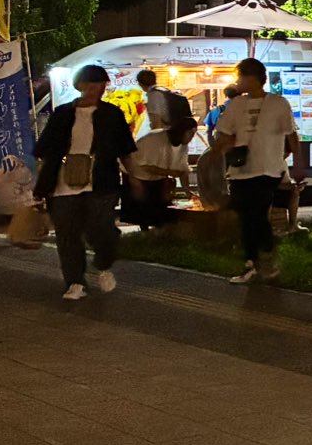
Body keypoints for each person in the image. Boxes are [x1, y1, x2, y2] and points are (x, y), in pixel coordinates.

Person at [33, 63, 136, 300]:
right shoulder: (63, 114)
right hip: (63, 180)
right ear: (79, 86)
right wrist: (42, 181)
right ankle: (75, 281)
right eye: (89, 85)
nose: (94, 90)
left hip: (101, 180)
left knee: (101, 228)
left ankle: (103, 264)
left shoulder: (112, 114)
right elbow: (44, 149)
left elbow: (125, 150)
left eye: (99, 85)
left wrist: (135, 177)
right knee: (67, 234)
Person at [210, 57, 303, 283]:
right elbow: (223, 133)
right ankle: (253, 262)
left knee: (257, 213)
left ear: (252, 78)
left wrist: (299, 163)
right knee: (246, 216)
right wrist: (224, 146)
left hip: (268, 169)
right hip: (240, 170)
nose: (238, 81)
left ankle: (264, 258)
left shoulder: (278, 103)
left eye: (240, 77)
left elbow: (291, 134)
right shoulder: (236, 105)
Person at [125, 103, 196, 229]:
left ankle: (160, 231)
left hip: (158, 177)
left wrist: (187, 190)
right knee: (143, 211)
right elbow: (145, 166)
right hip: (137, 174)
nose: (191, 138)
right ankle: (146, 232)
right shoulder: (155, 139)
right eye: (190, 134)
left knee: (161, 210)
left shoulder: (182, 146)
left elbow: (182, 169)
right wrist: (170, 173)